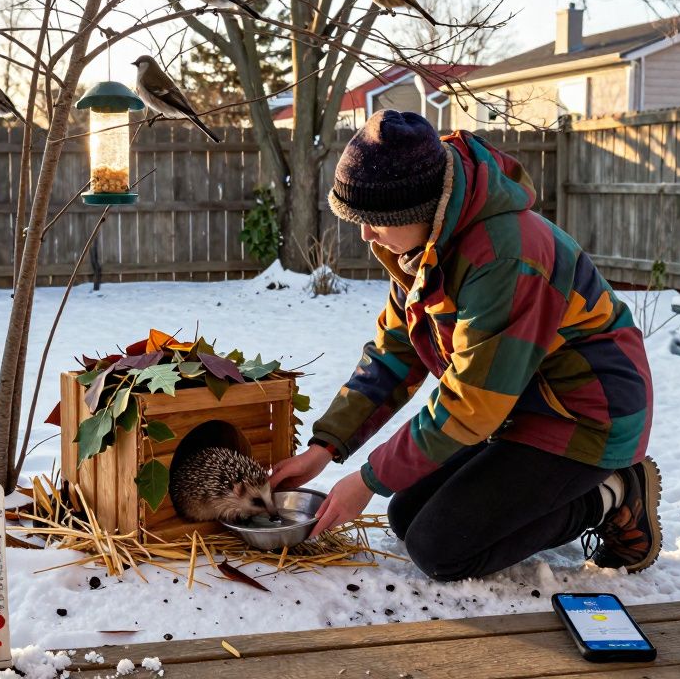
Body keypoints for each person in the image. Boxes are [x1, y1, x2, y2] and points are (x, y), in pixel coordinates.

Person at [269, 110, 659, 581]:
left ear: (419, 209)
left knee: (442, 550)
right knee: (406, 515)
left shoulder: (505, 256)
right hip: (515, 407)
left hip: (584, 419)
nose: (365, 235)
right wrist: (324, 447)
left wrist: (369, 478)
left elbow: (472, 402)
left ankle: (612, 492)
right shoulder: (419, 244)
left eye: (375, 221)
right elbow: (395, 352)